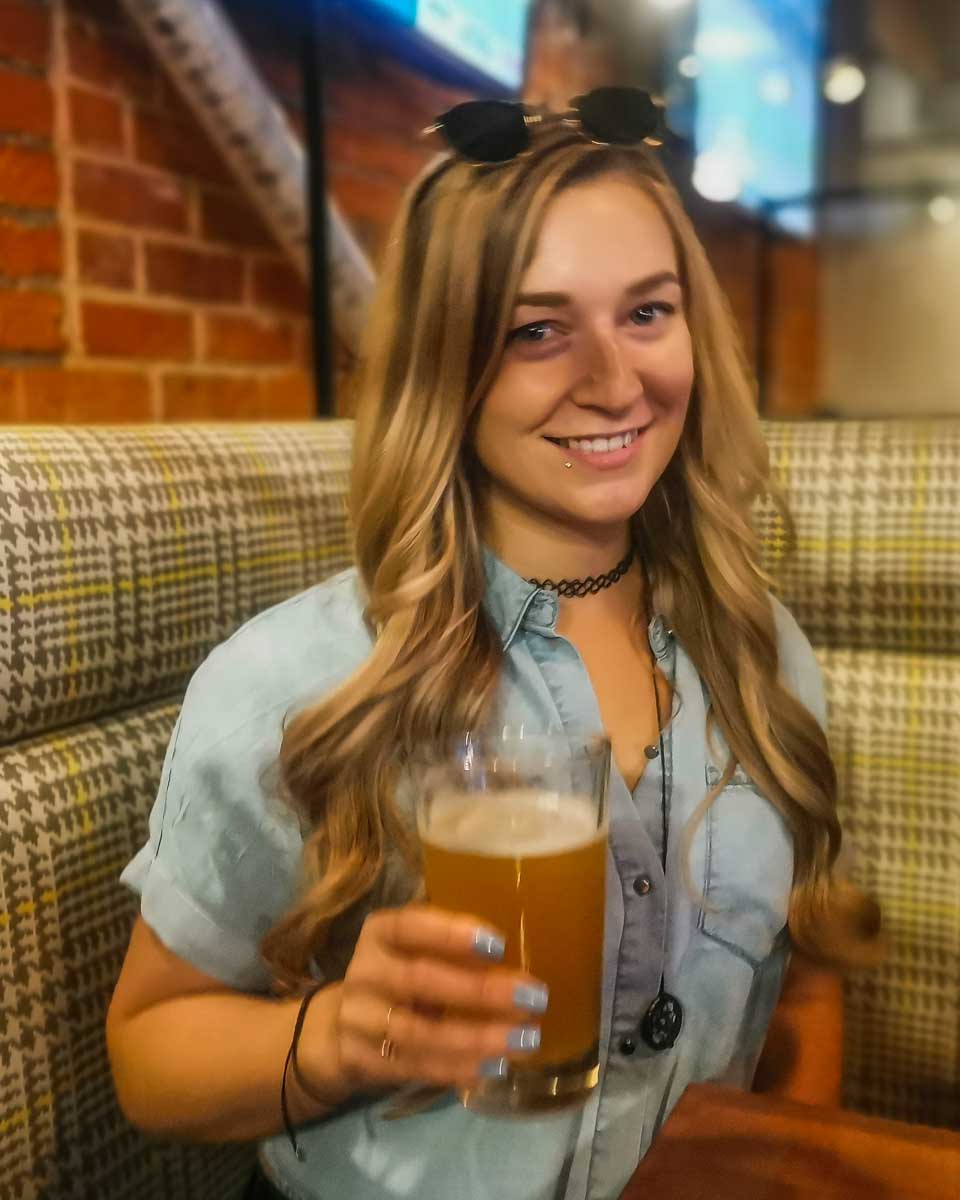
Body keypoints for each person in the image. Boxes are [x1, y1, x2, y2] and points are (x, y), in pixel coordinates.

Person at [106, 89, 882, 1200]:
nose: (616, 382)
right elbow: (148, 1054)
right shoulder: (301, 679)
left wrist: (778, 1168)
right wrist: (337, 1037)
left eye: (648, 314)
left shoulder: (762, 657)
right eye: (536, 329)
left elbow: (802, 980)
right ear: (445, 365)